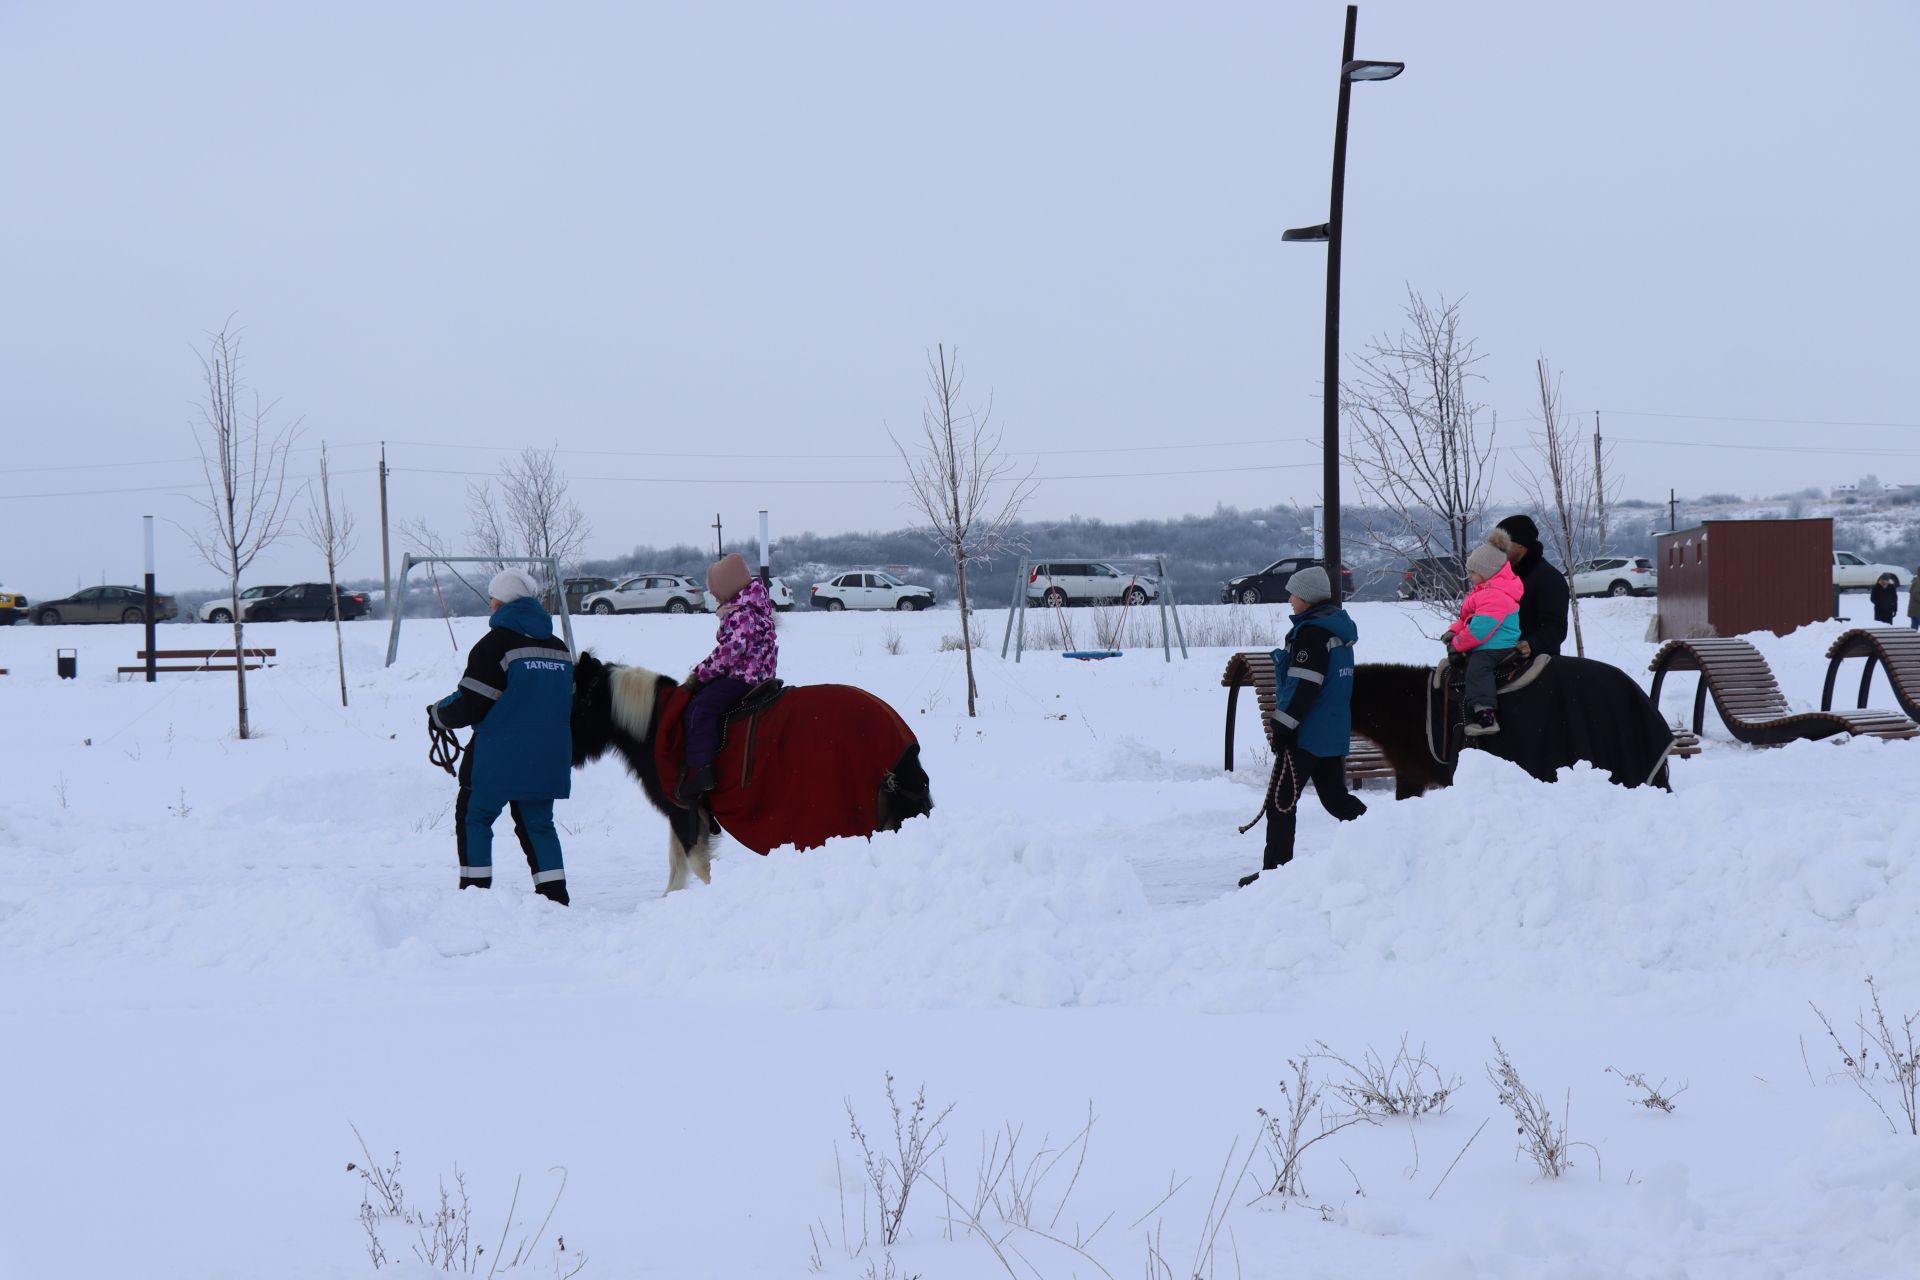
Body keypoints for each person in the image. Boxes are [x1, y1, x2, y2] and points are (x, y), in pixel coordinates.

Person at [429, 569, 575, 904]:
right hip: (547, 756)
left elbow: (472, 701)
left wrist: (438, 715)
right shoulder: (558, 648)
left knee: (474, 817)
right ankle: (555, 896)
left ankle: (476, 896)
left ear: (501, 601)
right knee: (538, 824)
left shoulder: (495, 644)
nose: (491, 604)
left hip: (498, 757)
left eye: (493, 598)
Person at [1237, 566, 1366, 888]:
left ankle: (1275, 873)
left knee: (1280, 804)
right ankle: (1385, 838)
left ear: (1307, 598)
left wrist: (1284, 727)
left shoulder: (1311, 634)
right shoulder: (1337, 630)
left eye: (1293, 594)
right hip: (1332, 731)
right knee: (1336, 799)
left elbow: (1305, 687)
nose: (1290, 600)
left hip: (1307, 733)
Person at [678, 553, 778, 804]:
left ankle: (701, 770)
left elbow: (729, 653)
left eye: (715, 594)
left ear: (728, 588)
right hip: (759, 674)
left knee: (700, 708)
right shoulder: (754, 607)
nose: (714, 599)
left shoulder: (741, 614)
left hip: (743, 678)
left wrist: (700, 673)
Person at [1448, 530, 1526, 737]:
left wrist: (1457, 643)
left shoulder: (1496, 596)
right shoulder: (1483, 593)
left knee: (1478, 669)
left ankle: (1486, 716)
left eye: (1473, 572)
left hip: (1497, 645)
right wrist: (1452, 631)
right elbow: (1467, 618)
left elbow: (1479, 630)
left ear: (1487, 572)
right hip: (1489, 641)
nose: (1470, 576)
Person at [1493, 514, 1569, 659]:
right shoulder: (1503, 576)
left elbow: (1556, 627)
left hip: (1538, 666)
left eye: (1501, 545)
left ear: (1520, 545)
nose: (1497, 551)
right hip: (1500, 657)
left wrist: (1532, 644)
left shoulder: (1548, 578)